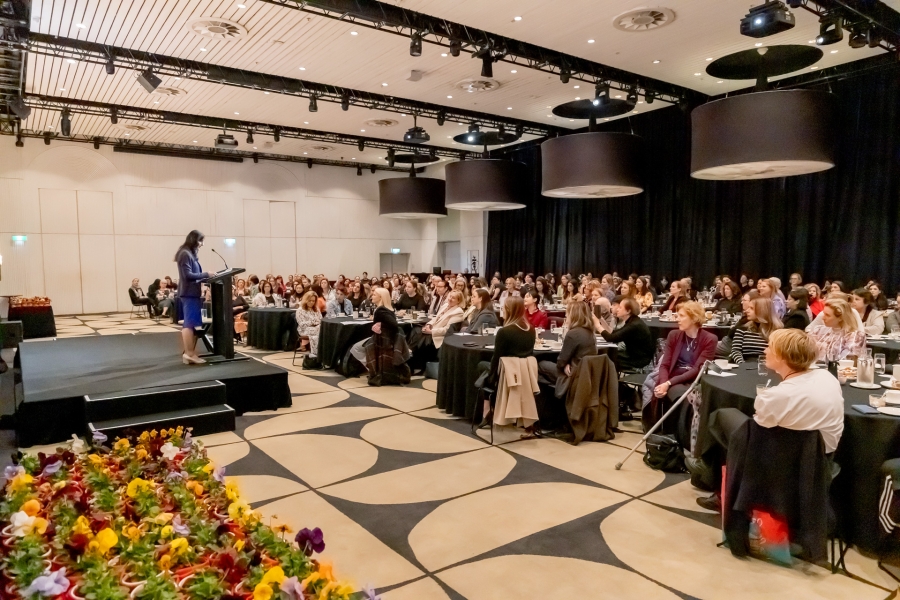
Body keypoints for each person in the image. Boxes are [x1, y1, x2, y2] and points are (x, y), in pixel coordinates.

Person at [697, 328, 845, 513]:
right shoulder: (827, 378)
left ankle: (716, 485)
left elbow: (759, 428)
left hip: (781, 461)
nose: (765, 350)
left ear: (783, 357)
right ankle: (712, 478)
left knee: (721, 417)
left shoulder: (776, 395)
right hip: (823, 457)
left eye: (769, 347)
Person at [474, 296, 536, 426]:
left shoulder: (504, 332)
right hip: (526, 375)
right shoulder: (531, 329)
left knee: (482, 366)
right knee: (488, 370)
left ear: (508, 309)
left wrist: (491, 378)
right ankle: (490, 408)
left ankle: (487, 410)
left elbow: (496, 358)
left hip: (508, 375)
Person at [652, 301, 718, 405]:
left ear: (694, 318)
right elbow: (665, 365)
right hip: (671, 378)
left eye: (681, 316)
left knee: (681, 397)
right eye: (677, 316)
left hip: (692, 381)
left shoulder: (710, 339)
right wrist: (663, 383)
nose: (677, 319)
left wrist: (669, 383)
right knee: (664, 393)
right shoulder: (673, 335)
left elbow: (697, 370)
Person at [538, 300, 597, 399]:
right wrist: (566, 364)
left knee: (539, 364)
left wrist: (564, 364)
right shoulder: (590, 332)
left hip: (574, 375)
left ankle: (555, 396)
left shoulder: (573, 334)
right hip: (587, 373)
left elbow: (560, 362)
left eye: (567, 313)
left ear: (573, 315)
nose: (566, 315)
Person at [174, 230, 211, 364]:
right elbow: (187, 275)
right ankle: (189, 353)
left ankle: (190, 353)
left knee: (191, 323)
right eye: (200, 241)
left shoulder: (189, 254)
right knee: (188, 324)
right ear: (193, 240)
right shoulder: (185, 254)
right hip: (188, 294)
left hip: (192, 294)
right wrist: (206, 274)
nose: (202, 244)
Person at [596, 296, 654, 372]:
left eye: (620, 307)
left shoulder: (634, 325)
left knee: (607, 359)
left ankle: (611, 382)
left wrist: (597, 325)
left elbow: (610, 338)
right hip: (635, 356)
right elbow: (613, 333)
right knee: (609, 356)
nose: (617, 309)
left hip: (638, 361)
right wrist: (600, 319)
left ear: (628, 311)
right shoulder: (632, 321)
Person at [349, 288, 398, 370]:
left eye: (374, 295)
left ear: (381, 298)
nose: (372, 297)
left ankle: (373, 367)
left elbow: (394, 324)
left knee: (356, 348)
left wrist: (381, 325)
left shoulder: (381, 310)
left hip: (381, 340)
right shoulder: (388, 309)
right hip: (387, 338)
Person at [730, 297, 782, 364]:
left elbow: (779, 355)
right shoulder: (743, 328)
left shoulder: (777, 332)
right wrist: (743, 365)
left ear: (762, 310)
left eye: (751, 308)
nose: (747, 311)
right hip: (744, 366)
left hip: (767, 367)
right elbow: (736, 351)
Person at [295, 291, 322, 361]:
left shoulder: (316, 309)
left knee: (321, 332)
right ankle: (315, 353)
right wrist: (312, 322)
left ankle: (320, 354)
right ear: (306, 300)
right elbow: (301, 324)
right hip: (304, 330)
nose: (311, 302)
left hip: (317, 328)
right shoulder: (300, 310)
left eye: (313, 301)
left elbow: (321, 319)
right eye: (310, 301)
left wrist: (316, 323)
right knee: (320, 331)